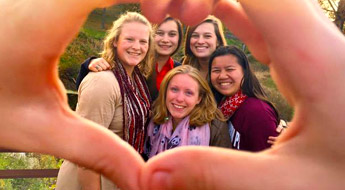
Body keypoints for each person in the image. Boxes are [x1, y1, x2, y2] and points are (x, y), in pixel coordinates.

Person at [1, 0, 345, 190]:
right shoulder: (150, 74)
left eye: (209, 39)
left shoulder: (234, 103)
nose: (201, 43)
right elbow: (118, 91)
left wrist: (285, 127)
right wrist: (91, 64)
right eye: (153, 35)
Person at [56, 12, 153, 190]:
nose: (136, 47)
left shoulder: (136, 80)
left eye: (143, 41)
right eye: (129, 39)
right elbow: (86, 151)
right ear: (115, 41)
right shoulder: (102, 82)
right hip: (90, 182)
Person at [76, 16, 183, 101]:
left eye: (172, 34)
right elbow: (90, 88)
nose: (165, 39)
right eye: (159, 33)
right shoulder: (135, 63)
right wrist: (89, 64)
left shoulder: (179, 70)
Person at [144, 65, 230, 159]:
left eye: (189, 93)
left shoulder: (215, 126)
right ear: (165, 92)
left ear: (199, 98)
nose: (179, 99)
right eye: (174, 89)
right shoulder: (154, 116)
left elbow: (221, 169)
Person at [208, 45, 279, 151]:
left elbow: (268, 161)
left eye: (230, 69)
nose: (222, 76)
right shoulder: (222, 106)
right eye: (216, 70)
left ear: (244, 72)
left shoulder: (257, 112)